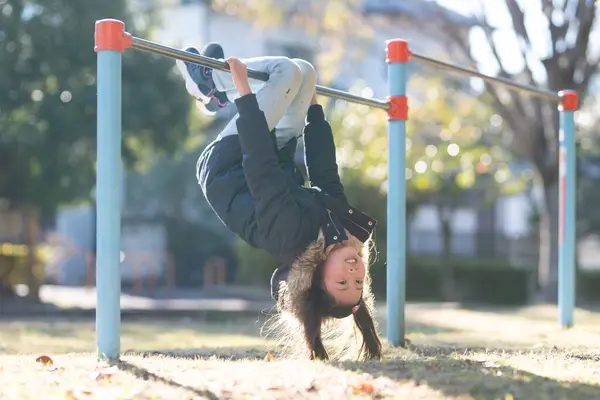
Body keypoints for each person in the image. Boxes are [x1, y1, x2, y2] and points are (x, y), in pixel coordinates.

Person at [176, 43, 382, 361]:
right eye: (357, 281)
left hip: (228, 168)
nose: (353, 271)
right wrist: (313, 110)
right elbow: (326, 173)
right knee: (306, 71)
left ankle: (208, 82)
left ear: (315, 277)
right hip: (273, 153)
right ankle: (216, 93)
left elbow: (259, 167)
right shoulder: (343, 230)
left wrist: (243, 94)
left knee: (285, 72)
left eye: (342, 281)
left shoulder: (289, 235)